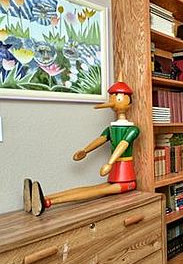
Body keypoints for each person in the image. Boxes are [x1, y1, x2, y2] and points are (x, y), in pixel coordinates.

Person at [23, 78, 140, 216]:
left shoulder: (133, 129)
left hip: (127, 177)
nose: (112, 100)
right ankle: (42, 198)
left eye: (117, 97)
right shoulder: (111, 128)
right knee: (91, 188)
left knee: (97, 190)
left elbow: (123, 144)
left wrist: (109, 163)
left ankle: (47, 202)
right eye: (111, 97)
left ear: (128, 101)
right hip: (115, 173)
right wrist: (85, 151)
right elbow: (101, 139)